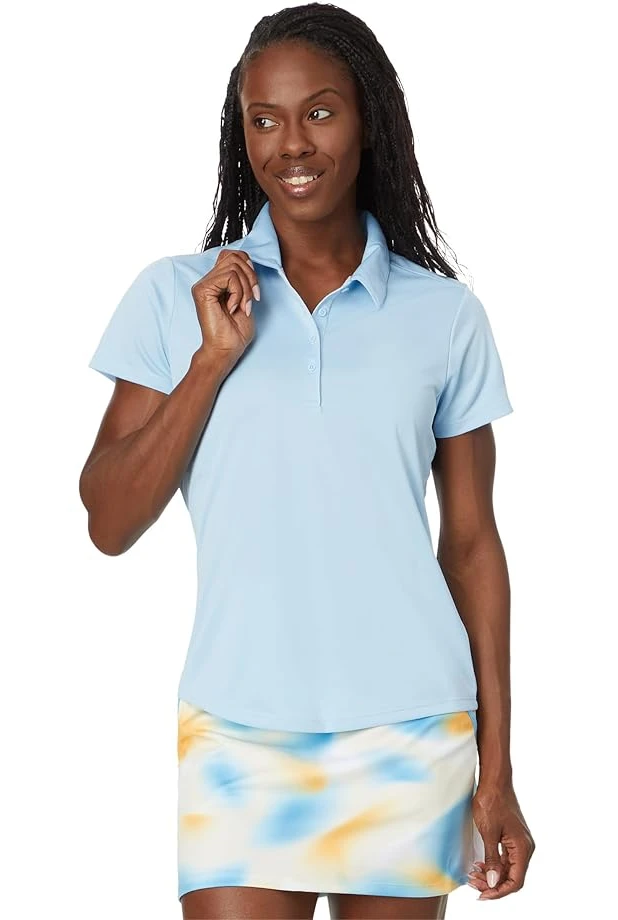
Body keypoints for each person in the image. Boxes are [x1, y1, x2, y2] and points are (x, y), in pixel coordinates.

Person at [80, 3, 535, 917]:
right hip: (237, 731)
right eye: (265, 119)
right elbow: (109, 521)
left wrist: (498, 771)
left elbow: (471, 546)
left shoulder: (444, 317)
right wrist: (211, 362)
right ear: (242, 133)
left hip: (410, 731)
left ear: (369, 122)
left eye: (320, 112)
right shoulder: (177, 297)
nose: (291, 143)